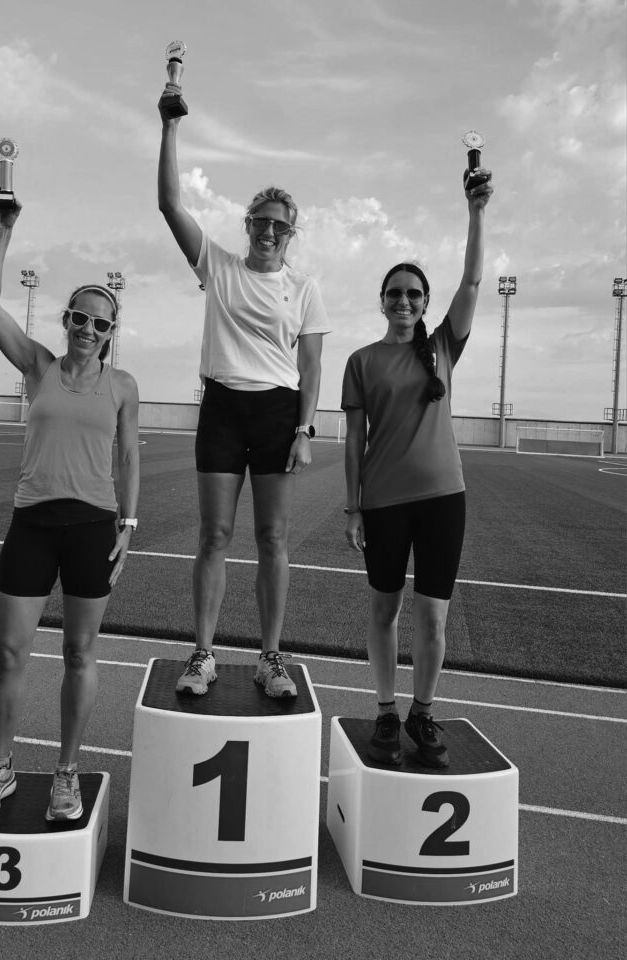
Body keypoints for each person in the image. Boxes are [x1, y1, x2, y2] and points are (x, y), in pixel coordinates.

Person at [0, 196, 140, 819]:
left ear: (111, 334)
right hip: (33, 524)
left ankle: (67, 773)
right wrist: (2, 233)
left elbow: (129, 457)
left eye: (100, 324)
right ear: (66, 320)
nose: (88, 329)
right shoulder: (37, 365)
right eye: (80, 318)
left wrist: (129, 525)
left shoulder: (122, 387)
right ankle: (1, 766)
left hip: (92, 528)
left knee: (79, 654)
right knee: (10, 652)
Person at [158, 88, 330, 698]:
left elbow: (311, 364)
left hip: (278, 413)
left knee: (273, 539)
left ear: (291, 233)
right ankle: (203, 654)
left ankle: (270, 658)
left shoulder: (305, 288)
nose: (269, 231)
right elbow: (169, 203)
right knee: (213, 536)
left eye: (280, 225)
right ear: (248, 225)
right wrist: (169, 127)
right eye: (261, 221)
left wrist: (304, 430)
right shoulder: (219, 266)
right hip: (223, 408)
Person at [342, 165, 494, 767]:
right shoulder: (361, 361)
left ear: (425, 303)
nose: (403, 300)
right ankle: (385, 710)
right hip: (383, 502)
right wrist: (352, 507)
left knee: (432, 617)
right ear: (382, 301)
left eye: (413, 293)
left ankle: (422, 712)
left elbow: (473, 279)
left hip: (442, 500)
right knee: (384, 611)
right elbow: (354, 441)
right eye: (394, 293)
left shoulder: (442, 347)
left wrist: (476, 212)